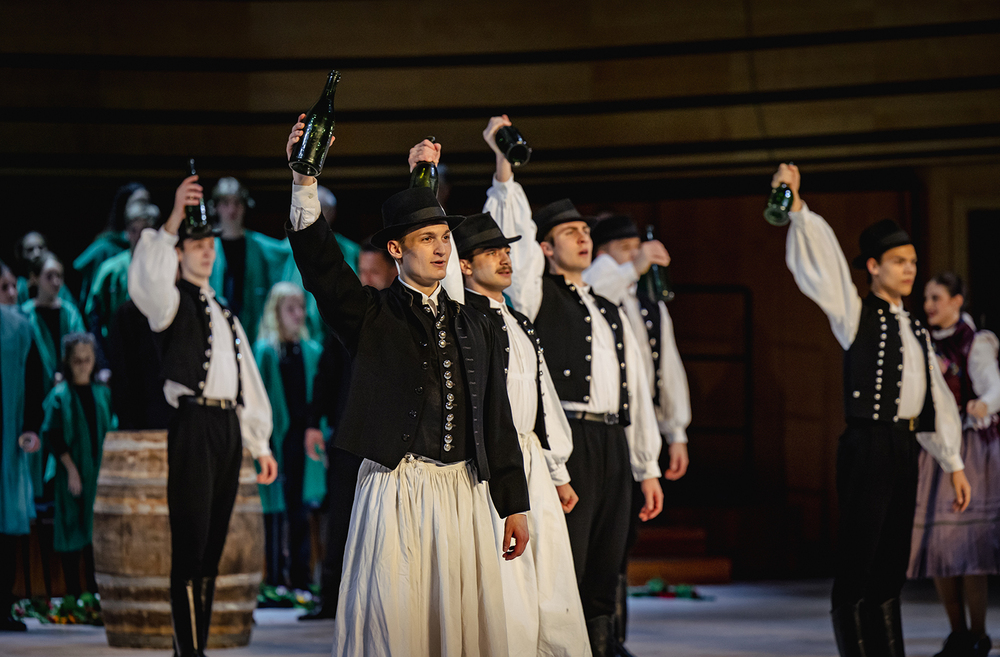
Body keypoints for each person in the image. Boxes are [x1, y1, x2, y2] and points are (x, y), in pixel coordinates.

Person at [284, 116, 529, 656]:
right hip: (398, 491)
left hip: (463, 492)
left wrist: (514, 501)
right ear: (396, 250)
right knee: (399, 628)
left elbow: (496, 414)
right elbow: (321, 264)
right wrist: (304, 181)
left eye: (445, 238)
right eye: (426, 239)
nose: (442, 249)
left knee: (457, 629)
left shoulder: (476, 322)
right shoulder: (372, 317)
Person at [481, 114, 664, 656]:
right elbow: (512, 232)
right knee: (572, 564)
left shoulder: (611, 306)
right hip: (571, 443)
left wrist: (646, 466)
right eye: (570, 232)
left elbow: (634, 389)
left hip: (612, 442)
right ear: (546, 247)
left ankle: (606, 646)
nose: (583, 238)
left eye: (586, 231)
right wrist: (504, 167)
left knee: (610, 564)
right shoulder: (538, 296)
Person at [779, 162, 971, 656]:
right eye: (898, 261)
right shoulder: (854, 312)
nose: (909, 269)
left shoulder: (915, 327)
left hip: (905, 446)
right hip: (867, 445)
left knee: (891, 565)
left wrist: (952, 463)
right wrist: (799, 209)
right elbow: (822, 270)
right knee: (860, 562)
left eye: (912, 261)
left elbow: (937, 398)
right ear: (873, 266)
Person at [128, 172, 277, 657]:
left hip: (226, 429)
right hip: (192, 424)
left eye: (210, 244)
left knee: (212, 545)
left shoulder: (226, 312)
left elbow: (247, 381)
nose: (207, 251)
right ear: (179, 253)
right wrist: (172, 220)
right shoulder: (169, 303)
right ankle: (187, 652)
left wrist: (259, 443)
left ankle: (194, 648)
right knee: (191, 543)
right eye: (196, 245)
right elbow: (146, 280)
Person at [453, 211, 592, 656]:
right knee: (507, 582)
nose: (504, 258)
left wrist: (558, 470)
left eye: (506, 250)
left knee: (550, 576)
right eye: (490, 252)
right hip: (493, 459)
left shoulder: (517, 319)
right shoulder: (465, 320)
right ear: (464, 265)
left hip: (532, 458)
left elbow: (543, 397)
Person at [584, 214, 692, 645]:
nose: (636, 258)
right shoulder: (591, 289)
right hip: (599, 424)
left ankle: (615, 639)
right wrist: (635, 265)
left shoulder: (648, 302)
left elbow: (667, 367)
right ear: (603, 252)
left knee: (623, 539)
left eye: (637, 249)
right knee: (598, 539)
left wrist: (676, 431)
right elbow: (596, 288)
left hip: (640, 425)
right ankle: (596, 639)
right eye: (625, 250)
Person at [298, 237, 396, 622]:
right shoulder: (349, 313)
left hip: (390, 437)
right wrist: (312, 423)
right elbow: (326, 371)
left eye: (374, 271)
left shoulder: (402, 316)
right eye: (363, 270)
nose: (366, 278)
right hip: (346, 432)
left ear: (391, 272)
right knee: (340, 518)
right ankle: (330, 601)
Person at [908, 273, 1000, 657]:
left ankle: (978, 632)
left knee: (969, 547)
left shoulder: (973, 342)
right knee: (941, 545)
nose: (930, 304)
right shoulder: (921, 343)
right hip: (935, 448)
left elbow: (994, 387)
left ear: (957, 301)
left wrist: (985, 403)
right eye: (927, 298)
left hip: (969, 448)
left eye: (937, 297)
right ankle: (956, 632)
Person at [254, 282, 326, 592]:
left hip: (304, 438)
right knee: (274, 510)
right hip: (276, 439)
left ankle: (301, 577)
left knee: (301, 508)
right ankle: (272, 579)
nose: (298, 314)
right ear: (276, 312)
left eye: (301, 308)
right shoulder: (267, 351)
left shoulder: (312, 350)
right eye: (290, 308)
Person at [40, 332, 113, 598]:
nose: (83, 365)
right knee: (72, 528)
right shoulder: (60, 395)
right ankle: (73, 595)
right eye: (77, 360)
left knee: (97, 534)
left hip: (98, 471)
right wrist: (71, 470)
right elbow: (53, 435)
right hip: (72, 471)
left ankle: (95, 595)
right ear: (68, 362)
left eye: (88, 359)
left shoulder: (102, 394)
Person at [21, 252, 86, 505]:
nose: (56, 282)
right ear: (35, 279)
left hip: (64, 400)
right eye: (49, 276)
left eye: (59, 276)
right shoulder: (24, 316)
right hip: (33, 399)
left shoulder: (69, 314)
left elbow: (82, 351)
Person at [0, 303, 45, 631]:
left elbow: (34, 380)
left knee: (8, 524)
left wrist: (30, 426)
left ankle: (3, 605)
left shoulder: (18, 327)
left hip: (8, 440)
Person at [208, 177, 292, 345]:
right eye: (225, 203)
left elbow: (288, 254)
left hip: (252, 329)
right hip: (214, 329)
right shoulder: (206, 248)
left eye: (237, 203)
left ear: (245, 206)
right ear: (216, 207)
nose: (232, 209)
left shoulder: (259, 246)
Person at [84, 199, 160, 346]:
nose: (139, 237)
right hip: (117, 347)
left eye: (145, 230)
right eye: (134, 230)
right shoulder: (110, 270)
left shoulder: (164, 267)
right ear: (127, 232)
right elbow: (94, 318)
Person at [73, 182, 149, 309]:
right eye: (138, 202)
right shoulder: (104, 249)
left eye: (147, 202)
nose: (143, 208)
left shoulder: (157, 250)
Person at [14, 232, 77, 307]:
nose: (37, 253)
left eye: (41, 248)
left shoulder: (58, 284)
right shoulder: (19, 287)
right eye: (30, 250)